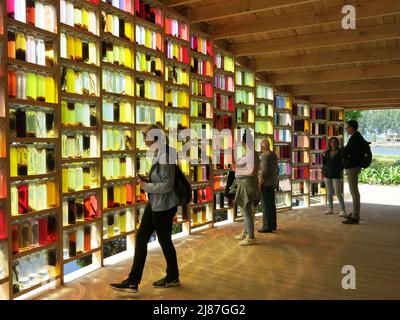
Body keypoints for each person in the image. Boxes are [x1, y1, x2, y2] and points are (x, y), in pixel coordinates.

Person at [110, 124, 180, 293]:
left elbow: (167, 185)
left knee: (164, 240)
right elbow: (161, 179)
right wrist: (149, 180)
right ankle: (133, 282)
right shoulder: (160, 153)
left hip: (164, 205)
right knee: (143, 238)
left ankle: (172, 276)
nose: (143, 140)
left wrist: (146, 186)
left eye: (146, 136)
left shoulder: (166, 154)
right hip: (156, 203)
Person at [233, 130, 260, 246]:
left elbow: (252, 172)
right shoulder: (250, 153)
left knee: (247, 212)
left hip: (247, 186)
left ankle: (251, 237)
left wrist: (237, 170)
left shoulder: (250, 154)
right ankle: (246, 232)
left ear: (244, 142)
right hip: (245, 185)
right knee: (245, 211)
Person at [341, 120, 366, 224]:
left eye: (347, 127)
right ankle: (355, 212)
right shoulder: (357, 137)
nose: (346, 129)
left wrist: (341, 149)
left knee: (354, 192)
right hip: (355, 166)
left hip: (353, 167)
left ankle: (355, 216)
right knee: (354, 191)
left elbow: (346, 152)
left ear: (351, 127)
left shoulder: (354, 138)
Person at [258, 139, 279, 233]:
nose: (260, 147)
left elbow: (264, 172)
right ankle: (273, 224)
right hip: (272, 182)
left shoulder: (265, 156)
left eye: (260, 145)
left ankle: (267, 226)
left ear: (263, 146)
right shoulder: (274, 155)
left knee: (266, 206)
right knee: (271, 205)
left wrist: (260, 183)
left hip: (266, 184)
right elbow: (276, 169)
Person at [322, 137, 346, 216]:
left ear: (337, 143)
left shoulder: (340, 152)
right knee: (329, 193)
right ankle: (330, 208)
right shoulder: (327, 152)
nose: (333, 143)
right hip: (327, 174)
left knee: (338, 193)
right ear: (330, 143)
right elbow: (324, 162)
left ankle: (343, 210)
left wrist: (338, 169)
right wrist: (323, 155)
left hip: (336, 175)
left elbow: (343, 163)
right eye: (332, 142)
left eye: (335, 142)